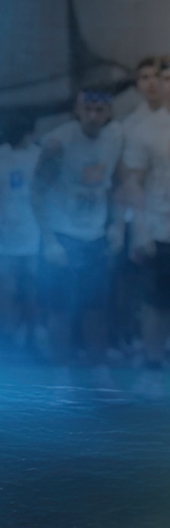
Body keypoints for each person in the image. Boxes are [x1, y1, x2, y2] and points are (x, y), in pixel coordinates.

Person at [33, 86, 125, 394]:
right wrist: (48, 240)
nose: (94, 116)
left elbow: (118, 185)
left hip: (94, 235)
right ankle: (61, 378)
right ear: (78, 109)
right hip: (62, 233)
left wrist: (118, 226)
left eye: (100, 110)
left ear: (109, 112)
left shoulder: (116, 138)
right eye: (88, 109)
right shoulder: (59, 142)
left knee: (96, 310)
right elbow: (36, 192)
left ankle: (100, 374)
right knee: (59, 310)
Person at [122, 59, 170, 399]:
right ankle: (153, 369)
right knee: (156, 303)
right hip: (160, 229)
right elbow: (133, 182)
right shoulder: (144, 130)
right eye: (159, 78)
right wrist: (138, 229)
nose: (161, 84)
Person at [0, 118, 40, 359]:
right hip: (23, 235)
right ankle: (23, 339)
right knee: (25, 289)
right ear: (30, 132)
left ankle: (9, 339)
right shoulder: (37, 155)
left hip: (13, 233)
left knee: (11, 288)